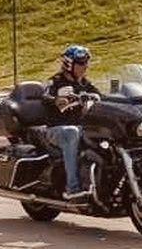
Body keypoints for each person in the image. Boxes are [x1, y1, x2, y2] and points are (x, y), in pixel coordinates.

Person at [42, 44, 101, 200]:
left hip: (82, 127)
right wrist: (56, 100)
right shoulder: (56, 82)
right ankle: (72, 188)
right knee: (72, 132)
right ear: (69, 64)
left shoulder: (85, 84)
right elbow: (45, 97)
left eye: (86, 63)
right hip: (57, 130)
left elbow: (102, 97)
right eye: (81, 63)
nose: (85, 67)